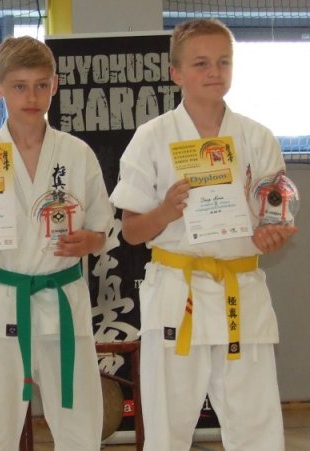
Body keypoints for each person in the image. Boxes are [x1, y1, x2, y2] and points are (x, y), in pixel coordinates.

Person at [109, 19, 298, 451]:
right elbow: (131, 232)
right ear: (175, 73)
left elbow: (273, 219)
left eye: (223, 62)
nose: (214, 71)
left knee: (256, 427)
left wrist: (272, 237)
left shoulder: (257, 137)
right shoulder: (152, 137)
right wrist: (165, 211)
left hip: (241, 290)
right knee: (167, 429)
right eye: (201, 63)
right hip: (178, 292)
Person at [0, 36, 113, 450]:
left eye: (41, 85)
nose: (31, 97)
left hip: (63, 297)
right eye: (19, 86)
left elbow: (101, 231)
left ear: (55, 85)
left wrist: (88, 241)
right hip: (2, 301)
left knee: (80, 424)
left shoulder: (77, 153)